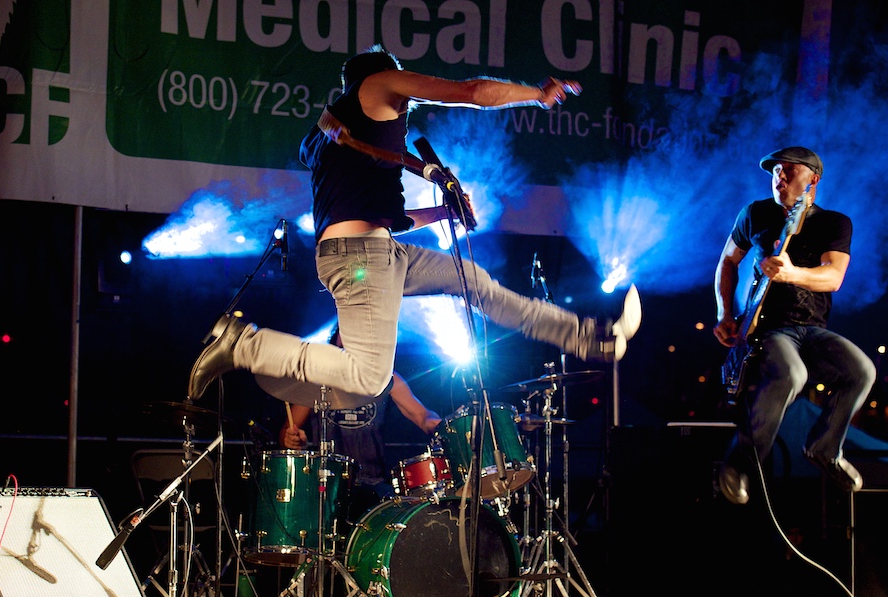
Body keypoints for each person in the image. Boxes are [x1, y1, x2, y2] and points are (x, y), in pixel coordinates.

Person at [187, 45, 641, 414]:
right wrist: (536, 94)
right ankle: (243, 344)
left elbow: (387, 218)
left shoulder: (345, 139)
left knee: (477, 285)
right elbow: (470, 90)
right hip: (362, 257)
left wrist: (444, 215)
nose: (410, 103)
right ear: (384, 77)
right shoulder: (377, 85)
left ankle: (592, 337)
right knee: (370, 377)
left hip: (376, 251)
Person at [713, 146, 876, 505]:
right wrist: (725, 313)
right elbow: (728, 261)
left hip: (812, 330)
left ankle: (824, 449)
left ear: (813, 179)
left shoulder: (834, 223)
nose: (779, 177)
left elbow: (833, 277)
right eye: (775, 172)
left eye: (788, 170)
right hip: (769, 329)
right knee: (792, 374)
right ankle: (738, 464)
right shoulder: (755, 214)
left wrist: (791, 273)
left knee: (862, 371)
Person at [278, 328, 442, 522]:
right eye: (344, 334)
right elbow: (287, 432)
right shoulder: (317, 379)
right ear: (336, 340)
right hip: (327, 480)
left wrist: (438, 424)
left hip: (375, 483)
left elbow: (422, 414)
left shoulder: (385, 378)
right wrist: (292, 439)